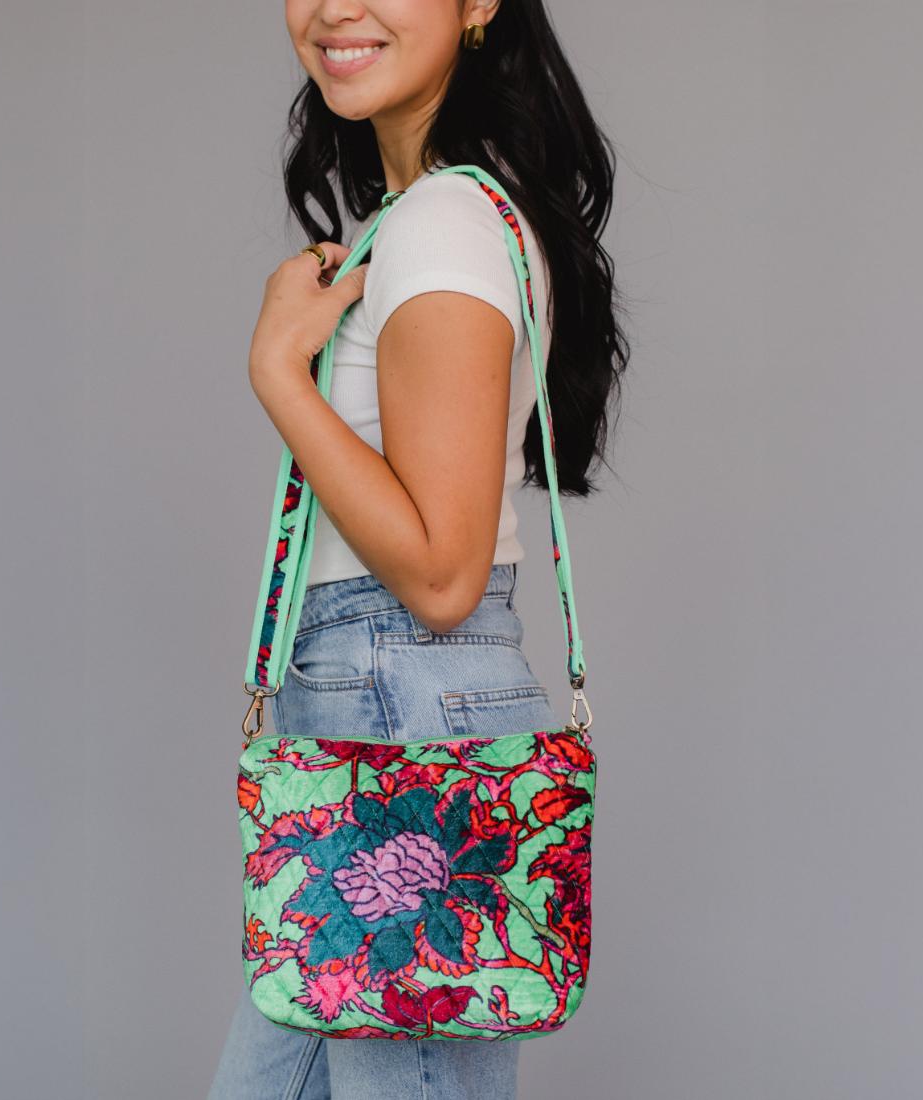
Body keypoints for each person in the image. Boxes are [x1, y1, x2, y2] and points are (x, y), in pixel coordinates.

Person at [209, 2, 629, 1097]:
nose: (333, 8)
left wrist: (277, 374)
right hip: (379, 704)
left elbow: (441, 576)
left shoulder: (444, 221)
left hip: (401, 705)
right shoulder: (417, 217)